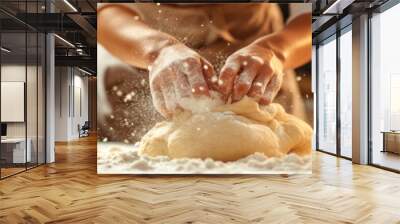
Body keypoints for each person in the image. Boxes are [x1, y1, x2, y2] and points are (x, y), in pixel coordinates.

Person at [97, 3, 311, 142]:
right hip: (139, 47)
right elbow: (105, 14)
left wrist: (276, 50)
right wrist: (158, 51)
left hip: (259, 54)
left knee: (272, 158)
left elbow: (318, 15)